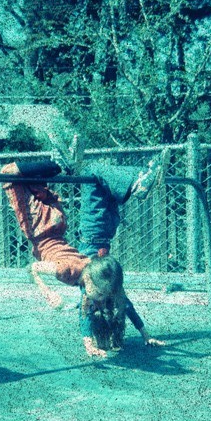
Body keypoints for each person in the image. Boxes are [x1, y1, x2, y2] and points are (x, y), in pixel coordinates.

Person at [1, 152, 165, 358]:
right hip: (48, 230)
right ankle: (61, 164)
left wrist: (90, 342)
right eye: (98, 296)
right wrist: (48, 293)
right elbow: (120, 304)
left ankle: (60, 164)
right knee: (12, 173)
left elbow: (92, 309)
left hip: (54, 229)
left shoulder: (85, 274)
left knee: (21, 176)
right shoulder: (83, 274)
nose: (93, 299)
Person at [50, 135, 172, 357]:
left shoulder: (91, 292)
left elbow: (85, 317)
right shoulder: (111, 291)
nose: (93, 304)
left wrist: (88, 344)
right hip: (97, 229)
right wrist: (146, 335)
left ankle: (72, 167)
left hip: (101, 229)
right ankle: (137, 180)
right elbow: (128, 308)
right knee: (93, 172)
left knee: (100, 178)